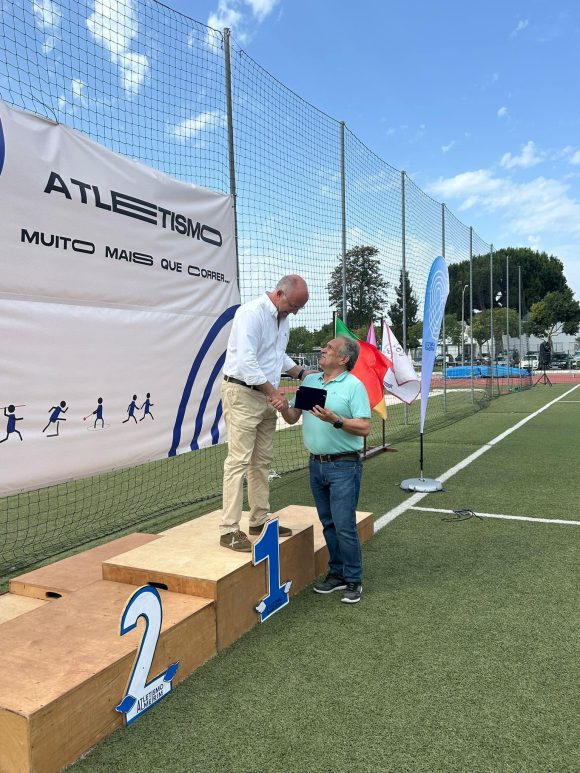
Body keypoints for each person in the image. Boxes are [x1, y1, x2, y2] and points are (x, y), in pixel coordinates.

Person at [219, 275, 311, 552]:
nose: (295, 312)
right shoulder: (250, 313)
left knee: (261, 461)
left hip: (264, 395)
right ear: (280, 293)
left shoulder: (283, 318)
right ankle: (229, 530)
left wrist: (301, 372)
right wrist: (274, 393)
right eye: (293, 306)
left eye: (298, 308)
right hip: (242, 392)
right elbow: (247, 362)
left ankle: (259, 520)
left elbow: (276, 355)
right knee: (238, 461)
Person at [281, 336, 370, 604]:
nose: (323, 350)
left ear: (343, 359)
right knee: (329, 523)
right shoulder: (310, 382)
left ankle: (353, 579)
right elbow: (293, 417)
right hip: (316, 465)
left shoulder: (353, 386)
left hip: (344, 465)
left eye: (329, 348)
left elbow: (364, 427)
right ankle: (337, 573)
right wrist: (282, 406)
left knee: (344, 525)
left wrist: (336, 419)